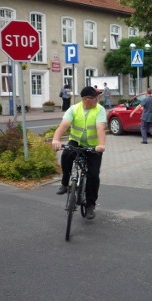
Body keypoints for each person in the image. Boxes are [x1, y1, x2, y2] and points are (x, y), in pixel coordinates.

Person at [52, 86, 106, 220]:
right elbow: (63, 126)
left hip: (94, 146)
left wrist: (101, 145)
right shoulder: (74, 109)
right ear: (85, 99)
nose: (97, 99)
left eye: (97, 96)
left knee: (93, 176)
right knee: (65, 155)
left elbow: (100, 128)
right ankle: (65, 183)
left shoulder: (100, 109)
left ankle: (90, 205)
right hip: (76, 141)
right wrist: (56, 140)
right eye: (94, 97)